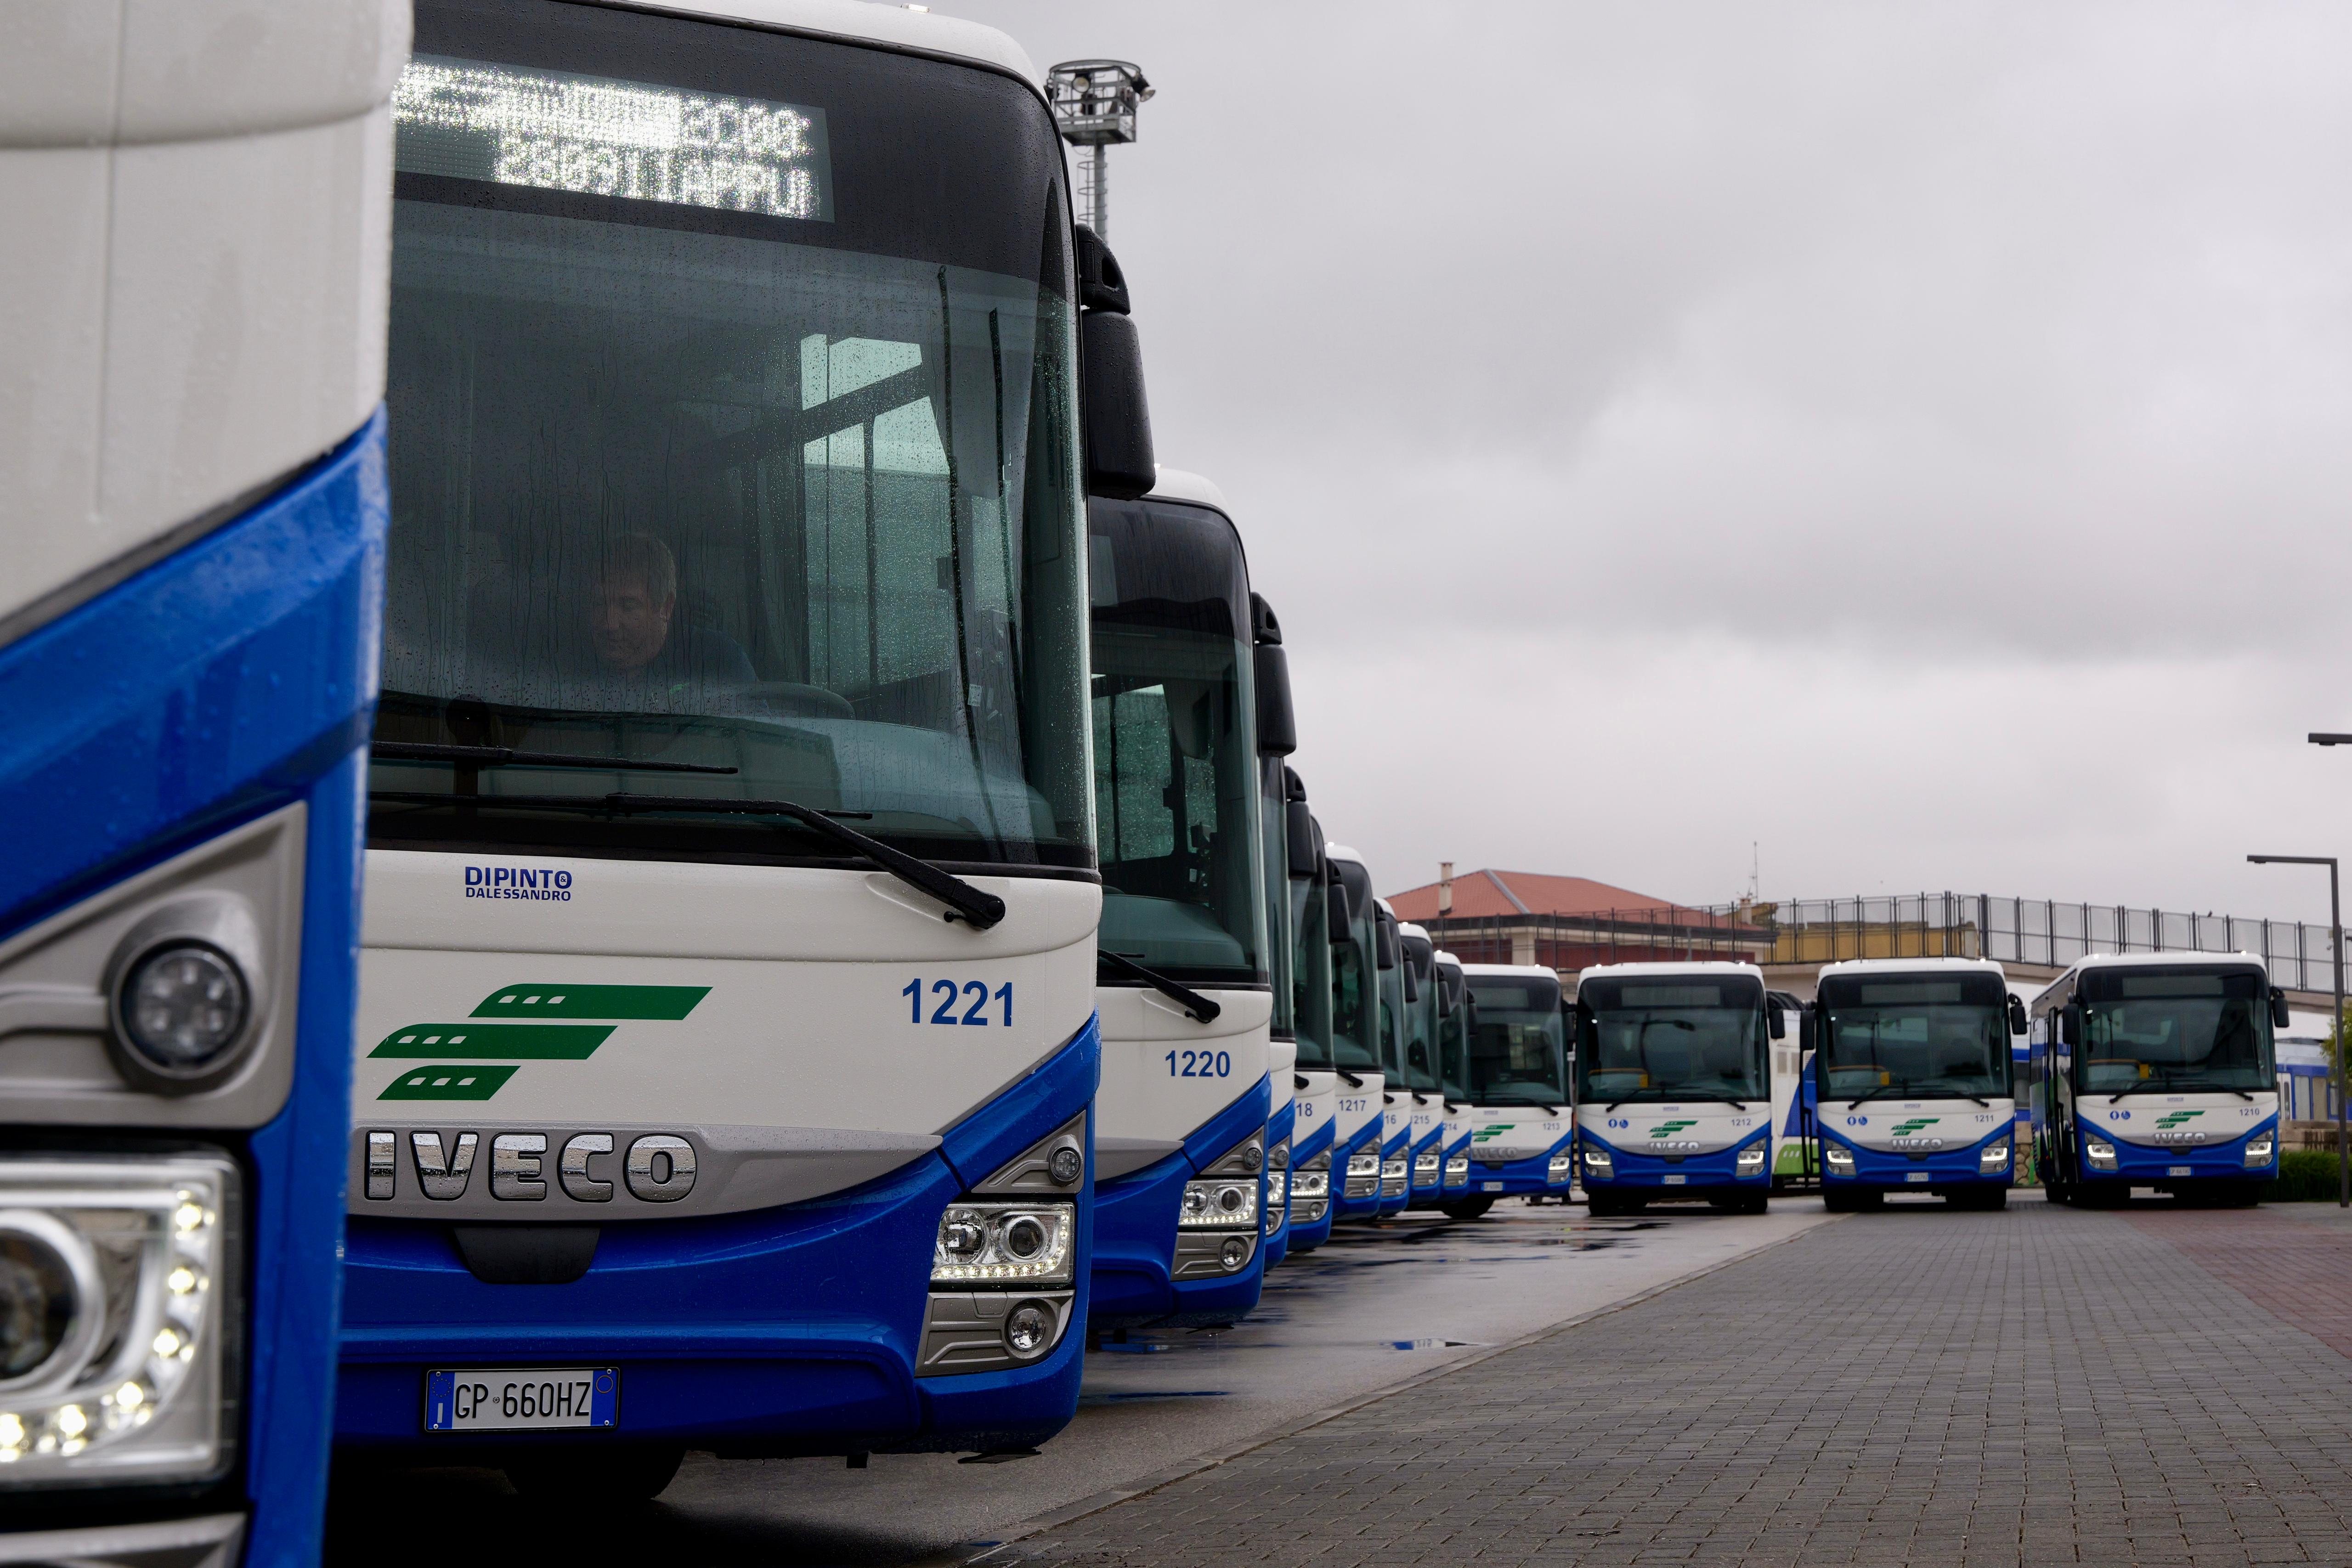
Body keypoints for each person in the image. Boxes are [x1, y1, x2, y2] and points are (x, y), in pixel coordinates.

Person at [581, 532, 755, 705]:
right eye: (599, 604)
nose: (609, 624)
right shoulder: (569, 663)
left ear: (666, 607)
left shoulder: (718, 662)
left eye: (628, 606)